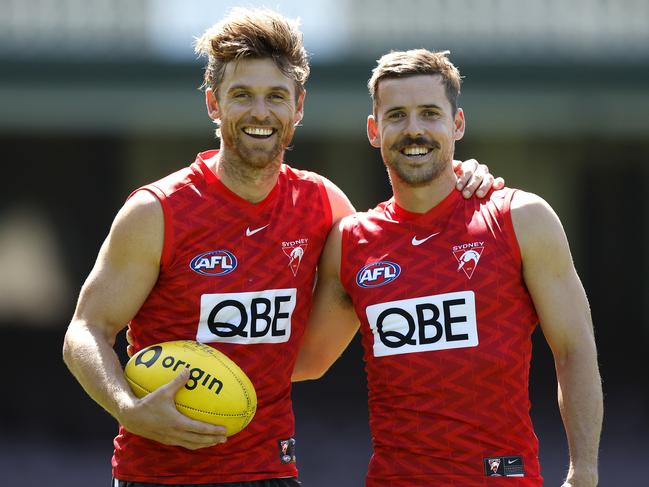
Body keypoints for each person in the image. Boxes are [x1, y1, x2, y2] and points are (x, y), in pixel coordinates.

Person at [61, 9, 501, 487]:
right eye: (242, 96)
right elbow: (85, 332)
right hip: (159, 474)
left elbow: (394, 246)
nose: (260, 112)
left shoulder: (325, 205)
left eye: (276, 96)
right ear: (213, 103)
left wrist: (454, 176)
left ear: (299, 106)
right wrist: (131, 409)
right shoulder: (157, 211)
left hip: (271, 470)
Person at [293, 49, 603, 486]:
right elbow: (304, 361)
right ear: (373, 130)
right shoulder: (350, 242)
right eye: (396, 115)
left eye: (430, 113)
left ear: (457, 124)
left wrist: (584, 473)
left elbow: (575, 349)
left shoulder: (521, 218)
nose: (414, 129)